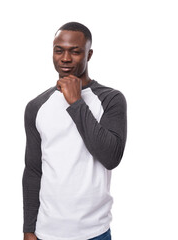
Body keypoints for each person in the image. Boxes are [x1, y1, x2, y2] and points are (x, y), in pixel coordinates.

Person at [22, 22, 127, 240]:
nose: (65, 58)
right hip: (46, 232)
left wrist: (76, 102)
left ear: (89, 55)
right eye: (59, 50)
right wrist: (28, 228)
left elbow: (111, 157)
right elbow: (33, 171)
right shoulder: (36, 106)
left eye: (75, 51)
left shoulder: (111, 99)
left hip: (94, 232)